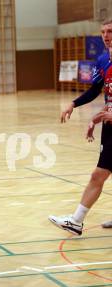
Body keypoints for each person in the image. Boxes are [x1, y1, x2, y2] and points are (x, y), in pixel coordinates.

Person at [49, 19, 112, 235]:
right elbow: (95, 90)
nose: (106, 35)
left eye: (110, 31)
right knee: (100, 174)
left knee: (99, 174)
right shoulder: (103, 60)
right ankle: (76, 221)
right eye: (103, 31)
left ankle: (76, 220)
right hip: (109, 124)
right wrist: (73, 104)